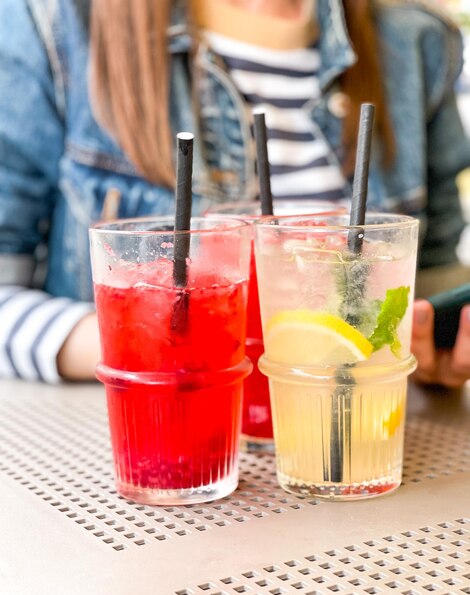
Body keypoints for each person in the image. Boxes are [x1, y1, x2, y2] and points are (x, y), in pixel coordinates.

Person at [1, 0, 470, 386]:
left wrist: (429, 345)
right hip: (142, 447)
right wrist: (150, 344)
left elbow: (429, 278)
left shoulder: (417, 41)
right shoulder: (50, 24)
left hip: (347, 442)